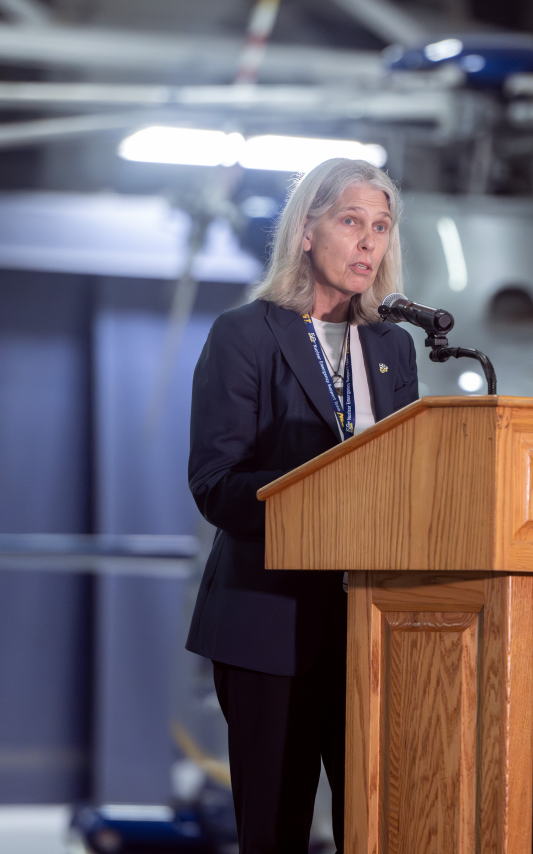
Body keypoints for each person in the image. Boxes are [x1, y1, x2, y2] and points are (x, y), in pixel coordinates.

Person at [185, 157, 419, 854]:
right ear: (308, 232)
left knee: (375, 830)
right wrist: (323, 497)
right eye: (351, 221)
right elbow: (216, 483)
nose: (368, 242)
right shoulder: (247, 335)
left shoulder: (392, 346)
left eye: (381, 226)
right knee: (277, 832)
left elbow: (410, 480)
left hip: (373, 632)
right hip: (270, 624)